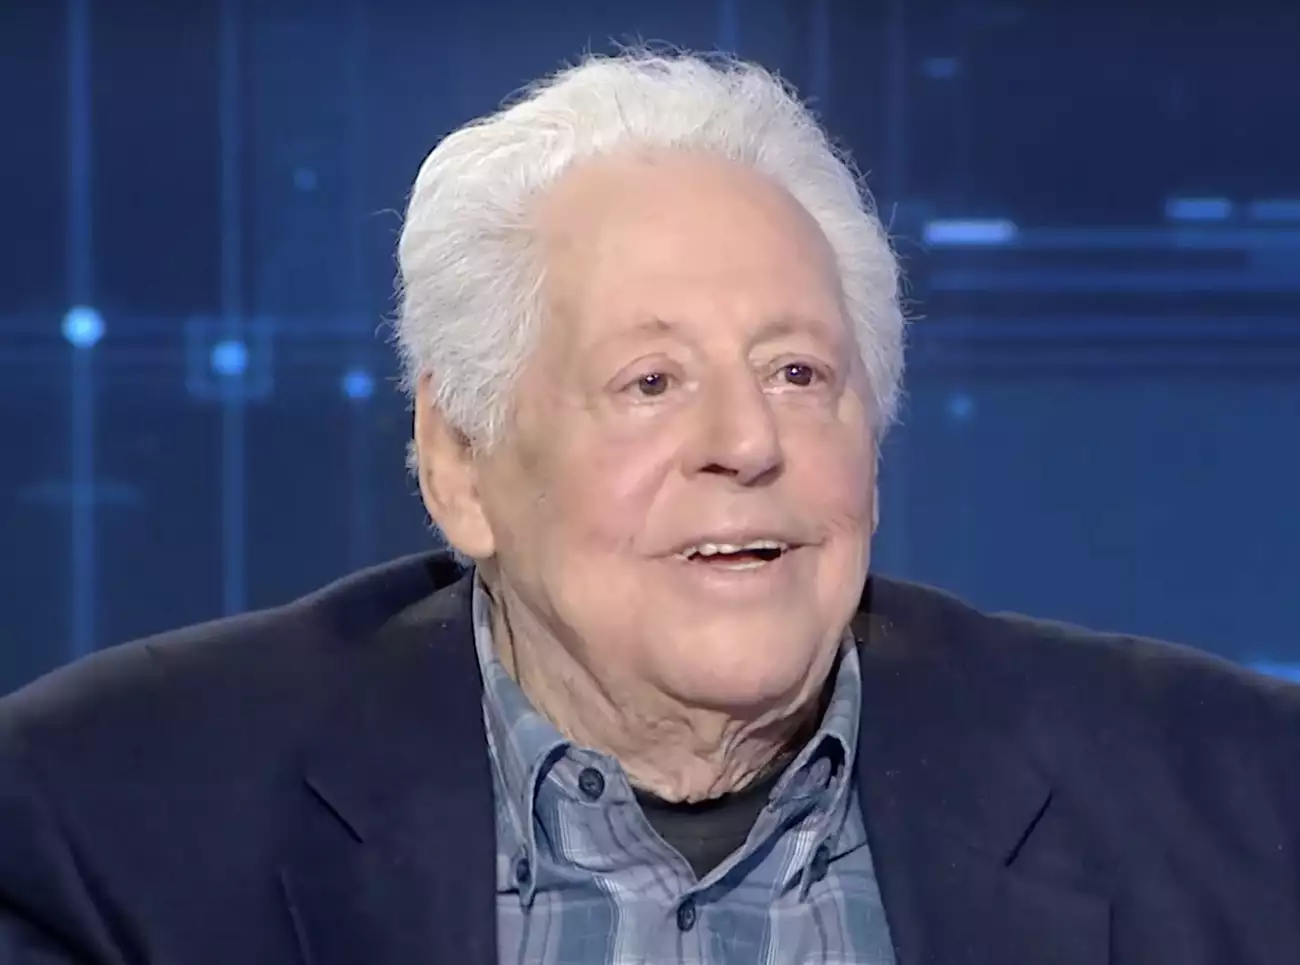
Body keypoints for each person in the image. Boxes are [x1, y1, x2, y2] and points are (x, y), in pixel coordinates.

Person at [1, 50, 1297, 965]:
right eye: (651, 382)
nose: (746, 443)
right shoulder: (101, 824)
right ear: (460, 466)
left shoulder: (1245, 803)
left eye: (798, 374)